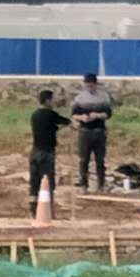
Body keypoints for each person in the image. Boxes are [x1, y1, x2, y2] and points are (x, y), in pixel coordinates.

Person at [29, 88, 72, 218]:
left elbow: (50, 128)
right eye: (53, 99)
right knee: (48, 182)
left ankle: (32, 209)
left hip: (35, 151)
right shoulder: (50, 114)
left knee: (34, 182)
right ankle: (47, 211)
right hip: (47, 153)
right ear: (48, 100)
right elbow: (67, 122)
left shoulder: (34, 115)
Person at [71, 71, 113, 193]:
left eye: (91, 85)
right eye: (87, 85)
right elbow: (74, 114)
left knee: (100, 160)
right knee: (84, 160)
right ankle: (84, 185)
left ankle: (101, 185)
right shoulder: (79, 98)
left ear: (96, 84)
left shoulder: (103, 97)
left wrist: (98, 115)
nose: (89, 87)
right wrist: (82, 118)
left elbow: (108, 114)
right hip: (84, 131)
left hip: (99, 131)